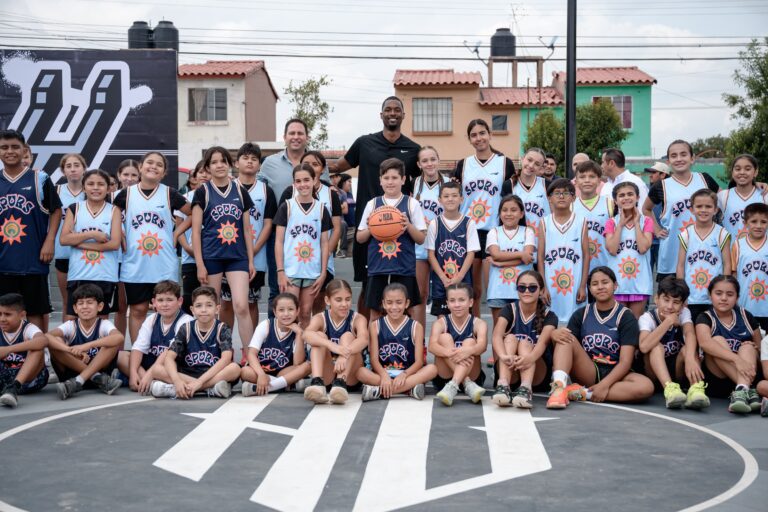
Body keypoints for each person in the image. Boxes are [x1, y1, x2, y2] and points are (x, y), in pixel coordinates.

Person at [331, 97, 421, 319]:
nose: (392, 113)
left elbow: (426, 179)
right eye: (388, 109)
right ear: (381, 115)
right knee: (369, 288)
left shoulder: (413, 149)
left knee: (404, 292)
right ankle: (365, 340)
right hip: (369, 227)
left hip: (400, 232)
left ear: (403, 115)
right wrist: (317, 174)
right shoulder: (364, 143)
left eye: (397, 109)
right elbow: (337, 166)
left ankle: (402, 342)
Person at [546, 267, 654, 409]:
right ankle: (558, 388)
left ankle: (583, 394)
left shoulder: (626, 316)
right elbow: (564, 347)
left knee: (645, 387)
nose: (600, 287)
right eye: (595, 284)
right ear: (590, 289)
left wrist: (604, 385)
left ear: (615, 285)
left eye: (605, 282)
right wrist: (554, 334)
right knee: (566, 337)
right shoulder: (581, 314)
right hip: (589, 369)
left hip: (618, 372)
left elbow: (626, 361)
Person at [112, 151, 190, 343]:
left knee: (168, 310)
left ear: (164, 173)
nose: (153, 166)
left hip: (163, 263)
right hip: (135, 263)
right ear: (140, 167)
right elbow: (110, 218)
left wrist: (177, 233)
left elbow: (195, 213)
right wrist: (120, 234)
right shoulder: (125, 194)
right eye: (149, 163)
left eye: (159, 165)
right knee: (138, 310)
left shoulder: (170, 193)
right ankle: (140, 354)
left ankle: (168, 355)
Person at [190, 146, 256, 352]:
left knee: (241, 306)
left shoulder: (240, 191)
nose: (219, 165)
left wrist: (251, 261)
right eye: (214, 162)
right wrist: (200, 264)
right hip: (212, 257)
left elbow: (246, 229)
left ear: (229, 164)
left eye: (223, 161)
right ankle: (213, 352)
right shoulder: (202, 192)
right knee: (211, 308)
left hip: (237, 257)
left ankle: (250, 355)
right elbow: (196, 233)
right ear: (208, 167)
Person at [0, 129, 62, 330]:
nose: (10, 151)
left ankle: (38, 356)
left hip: (33, 258)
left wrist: (50, 240)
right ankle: (8, 355)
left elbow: (56, 210)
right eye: (4, 147)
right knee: (4, 312)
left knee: (35, 311)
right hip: (3, 260)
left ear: (24, 149)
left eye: (15, 147)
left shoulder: (40, 178)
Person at [456, 119, 517, 315]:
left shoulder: (504, 163)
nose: (479, 138)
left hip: (494, 230)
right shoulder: (462, 165)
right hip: (469, 230)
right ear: (469, 139)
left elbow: (511, 197)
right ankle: (474, 332)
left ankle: (501, 332)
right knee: (473, 289)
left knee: (495, 288)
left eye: (482, 133)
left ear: (490, 135)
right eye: (474, 135)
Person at [356, 158, 427, 320]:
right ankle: (374, 345)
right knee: (375, 310)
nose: (390, 182)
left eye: (395, 178)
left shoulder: (412, 204)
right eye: (386, 178)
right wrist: (371, 229)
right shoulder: (373, 204)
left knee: (408, 310)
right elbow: (360, 238)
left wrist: (408, 225)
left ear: (403, 179)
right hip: (378, 266)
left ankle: (410, 344)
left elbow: (421, 238)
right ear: (380, 181)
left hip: (404, 266)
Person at [643, 140, 721, 283]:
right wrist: (656, 228)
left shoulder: (705, 179)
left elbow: (725, 199)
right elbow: (646, 209)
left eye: (683, 154)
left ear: (692, 158)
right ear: (668, 161)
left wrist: (757, 185)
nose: (679, 159)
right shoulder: (661, 186)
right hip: (672, 253)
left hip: (704, 253)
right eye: (674, 155)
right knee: (672, 302)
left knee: (702, 302)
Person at [221, 143, 275, 331]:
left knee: (251, 302)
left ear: (259, 165)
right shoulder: (226, 188)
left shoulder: (266, 191)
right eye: (245, 158)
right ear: (236, 163)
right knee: (226, 302)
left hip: (256, 257)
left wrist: (254, 249)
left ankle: (249, 348)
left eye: (254, 159)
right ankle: (224, 344)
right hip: (228, 254)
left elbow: (268, 224)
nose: (250, 162)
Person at [151, 286, 241, 399]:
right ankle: (209, 389)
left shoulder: (222, 328)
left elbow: (226, 358)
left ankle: (180, 389)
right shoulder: (186, 328)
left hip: (213, 374)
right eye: (199, 306)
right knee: (157, 369)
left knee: (235, 368)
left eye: (209, 305)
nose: (203, 310)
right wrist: (177, 380)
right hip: (188, 373)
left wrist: (200, 382)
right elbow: (169, 357)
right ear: (192, 310)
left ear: (217, 309)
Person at [357, 283, 436, 401]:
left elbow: (419, 361)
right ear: (383, 304)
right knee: (360, 372)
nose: (394, 307)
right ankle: (409, 389)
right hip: (382, 375)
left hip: (407, 374)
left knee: (432, 369)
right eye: (389, 302)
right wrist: (384, 376)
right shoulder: (375, 326)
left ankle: (378, 391)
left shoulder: (416, 326)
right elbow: (373, 359)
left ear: (406, 303)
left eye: (399, 302)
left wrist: (404, 375)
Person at [274, 163, 332, 327]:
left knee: (306, 313)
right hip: (290, 270)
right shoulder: (287, 206)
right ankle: (288, 351)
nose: (303, 184)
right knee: (289, 313)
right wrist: (280, 271)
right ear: (294, 183)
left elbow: (324, 243)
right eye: (298, 181)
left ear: (314, 180)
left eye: (306, 180)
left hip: (312, 271)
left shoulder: (321, 209)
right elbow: (278, 241)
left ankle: (305, 350)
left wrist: (323, 273)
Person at [694, 276, 762, 414]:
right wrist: (737, 360)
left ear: (737, 297)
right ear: (710, 295)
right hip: (718, 379)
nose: (724, 298)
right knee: (717, 341)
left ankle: (742, 390)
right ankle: (746, 390)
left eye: (730, 294)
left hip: (747, 375)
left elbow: (761, 348)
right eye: (718, 293)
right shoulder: (705, 317)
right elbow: (705, 343)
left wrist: (755, 348)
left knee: (748, 346)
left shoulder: (745, 316)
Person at [638, 277, 709, 409]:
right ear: (656, 299)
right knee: (655, 347)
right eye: (666, 300)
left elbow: (690, 334)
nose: (670, 306)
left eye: (676, 302)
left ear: (683, 306)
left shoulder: (684, 313)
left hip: (677, 372)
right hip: (654, 374)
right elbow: (644, 346)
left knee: (689, 347)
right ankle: (669, 389)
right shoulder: (647, 318)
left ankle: (695, 389)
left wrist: (690, 359)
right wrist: (668, 322)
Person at [60, 169, 121, 320]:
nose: (95, 187)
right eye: (91, 184)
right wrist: (92, 235)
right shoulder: (74, 209)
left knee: (101, 320)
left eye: (101, 184)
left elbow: (114, 244)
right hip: (78, 274)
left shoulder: (114, 210)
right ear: (84, 187)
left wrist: (80, 243)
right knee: (72, 319)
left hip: (104, 275)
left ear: (108, 188)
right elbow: (64, 239)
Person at [491, 271, 558, 409]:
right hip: (510, 368)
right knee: (509, 338)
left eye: (532, 287)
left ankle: (526, 389)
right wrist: (504, 356)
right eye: (522, 287)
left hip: (536, 375)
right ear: (517, 290)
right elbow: (496, 336)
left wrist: (528, 358)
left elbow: (542, 343)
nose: (527, 291)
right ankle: (503, 385)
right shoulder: (509, 309)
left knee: (525, 344)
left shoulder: (550, 316)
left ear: (541, 290)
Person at [46, 284, 124, 400]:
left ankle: (79, 381)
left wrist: (86, 346)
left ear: (100, 306)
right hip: (78, 376)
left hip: (74, 383)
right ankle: (96, 377)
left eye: (90, 302)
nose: (85, 306)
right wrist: (70, 350)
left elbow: (119, 338)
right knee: (55, 341)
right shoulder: (71, 325)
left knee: (110, 342)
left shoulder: (103, 324)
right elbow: (46, 337)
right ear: (75, 308)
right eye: (80, 303)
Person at [116, 280, 192, 394]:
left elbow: (169, 351)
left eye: (170, 300)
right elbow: (138, 348)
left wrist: (150, 374)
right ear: (154, 302)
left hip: (172, 366)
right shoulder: (151, 319)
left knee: (164, 367)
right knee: (122, 356)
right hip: (152, 365)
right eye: (160, 300)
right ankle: (148, 384)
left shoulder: (186, 321)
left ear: (180, 301)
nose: (165, 304)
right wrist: (133, 373)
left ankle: (147, 383)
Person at [303, 279, 369, 404]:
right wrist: (332, 345)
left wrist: (344, 354)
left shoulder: (358, 318)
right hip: (328, 373)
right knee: (319, 336)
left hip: (349, 376)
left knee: (348, 336)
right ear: (328, 301)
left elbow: (364, 339)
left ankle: (340, 383)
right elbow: (306, 334)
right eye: (338, 300)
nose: (344, 304)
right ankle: (317, 383)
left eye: (348, 299)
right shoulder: (320, 318)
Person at [537, 179, 589, 323]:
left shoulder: (581, 221)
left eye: (566, 193)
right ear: (549, 198)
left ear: (573, 198)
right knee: (550, 324)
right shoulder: (544, 222)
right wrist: (543, 287)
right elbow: (540, 257)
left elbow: (586, 256)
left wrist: (583, 286)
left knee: (575, 325)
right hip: (551, 283)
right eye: (557, 193)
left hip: (575, 282)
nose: (561, 196)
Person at [297, 151, 342, 315]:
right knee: (300, 308)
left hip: (323, 259)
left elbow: (337, 228)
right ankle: (298, 341)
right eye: (307, 163)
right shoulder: (291, 192)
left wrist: (325, 253)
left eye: (315, 164)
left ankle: (316, 340)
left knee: (318, 306)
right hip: (297, 259)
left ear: (322, 169)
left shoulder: (330, 194)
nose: (310, 167)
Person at [676, 188, 731, 321]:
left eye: (708, 206)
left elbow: (727, 264)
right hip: (691, 297)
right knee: (691, 333)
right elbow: (680, 266)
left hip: (714, 298)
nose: (703, 210)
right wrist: (682, 294)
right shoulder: (686, 234)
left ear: (715, 209)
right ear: (692, 209)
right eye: (699, 206)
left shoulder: (722, 234)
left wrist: (724, 291)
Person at [241, 292, 310, 397]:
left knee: (308, 366)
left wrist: (299, 335)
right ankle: (286, 385)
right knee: (245, 371)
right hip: (261, 370)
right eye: (281, 310)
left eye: (290, 309)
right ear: (275, 312)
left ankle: (263, 387)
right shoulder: (266, 325)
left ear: (297, 311)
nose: (286, 314)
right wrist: (261, 375)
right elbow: (251, 354)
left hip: (283, 372)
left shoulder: (299, 331)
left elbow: (298, 362)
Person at [430, 283, 488, 406]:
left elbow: (482, 346)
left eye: (462, 300)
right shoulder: (441, 323)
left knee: (470, 342)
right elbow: (432, 346)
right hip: (445, 379)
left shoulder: (479, 323)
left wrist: (468, 351)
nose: (457, 304)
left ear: (471, 302)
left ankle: (454, 383)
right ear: (447, 303)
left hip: (473, 376)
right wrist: (450, 353)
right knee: (445, 338)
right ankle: (464, 382)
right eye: (452, 300)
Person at [426, 181, 478, 317]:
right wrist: (443, 278)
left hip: (463, 280)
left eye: (454, 195)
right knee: (442, 322)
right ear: (439, 200)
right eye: (446, 196)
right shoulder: (434, 223)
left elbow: (471, 253)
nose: (450, 199)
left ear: (461, 199)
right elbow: (431, 255)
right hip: (441, 282)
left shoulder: (469, 223)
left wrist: (459, 276)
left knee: (464, 318)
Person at [604, 182, 653, 318]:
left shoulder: (646, 221)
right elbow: (612, 249)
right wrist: (620, 225)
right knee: (619, 324)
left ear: (637, 197)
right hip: (617, 284)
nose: (626, 198)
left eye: (630, 194)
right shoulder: (611, 222)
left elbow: (643, 248)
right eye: (622, 195)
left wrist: (637, 223)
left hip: (640, 283)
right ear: (615, 200)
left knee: (635, 324)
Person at [413, 146, 450, 327]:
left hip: (444, 246)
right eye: (425, 160)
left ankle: (445, 338)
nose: (429, 164)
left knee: (443, 294)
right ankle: (420, 341)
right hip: (419, 246)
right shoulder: (413, 184)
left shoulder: (450, 184)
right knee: (420, 294)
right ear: (419, 164)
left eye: (432, 159)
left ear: (438, 160)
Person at [486, 194, 535, 324]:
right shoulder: (494, 232)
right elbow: (496, 254)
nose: (508, 214)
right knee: (500, 331)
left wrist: (501, 264)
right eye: (504, 210)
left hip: (523, 290)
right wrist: (521, 254)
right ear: (499, 213)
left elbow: (528, 258)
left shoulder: (528, 232)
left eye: (513, 210)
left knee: (522, 330)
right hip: (498, 290)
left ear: (521, 214)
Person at [0, 293, 49, 408]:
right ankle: (8, 389)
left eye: (7, 314)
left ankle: (13, 388)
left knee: (37, 348)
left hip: (29, 380)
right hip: (4, 378)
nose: (2, 319)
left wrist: (8, 349)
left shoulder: (28, 328)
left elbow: (43, 341)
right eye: (0, 314)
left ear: (22, 315)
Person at [53, 153, 86, 321]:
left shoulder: (90, 192)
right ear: (63, 171)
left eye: (76, 165)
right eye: (69, 166)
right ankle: (66, 344)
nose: (73, 169)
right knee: (68, 302)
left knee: (88, 302)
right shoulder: (56, 191)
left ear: (84, 168)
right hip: (64, 253)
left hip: (87, 253)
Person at [112, 158, 141, 334]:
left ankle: (138, 349)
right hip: (114, 256)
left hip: (135, 257)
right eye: (125, 174)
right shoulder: (111, 197)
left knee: (136, 306)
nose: (129, 178)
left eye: (133, 175)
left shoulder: (140, 197)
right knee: (120, 306)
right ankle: (118, 349)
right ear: (118, 175)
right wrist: (117, 231)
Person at [179, 161, 210, 315]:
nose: (204, 175)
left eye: (207, 171)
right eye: (201, 171)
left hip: (212, 256)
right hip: (190, 258)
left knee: (210, 300)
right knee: (190, 299)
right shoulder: (184, 198)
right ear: (194, 177)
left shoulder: (217, 196)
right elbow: (179, 229)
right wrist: (186, 247)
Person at [731, 203, 768, 331]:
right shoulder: (738, 245)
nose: (758, 226)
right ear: (745, 223)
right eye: (754, 221)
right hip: (745, 307)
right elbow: (734, 275)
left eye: (763, 222)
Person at [573, 160, 614, 272]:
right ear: (576, 181)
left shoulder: (610, 204)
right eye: (582, 177)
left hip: (606, 265)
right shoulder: (570, 207)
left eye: (592, 176)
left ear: (599, 181)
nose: (587, 180)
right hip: (578, 268)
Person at [502, 148, 550, 242]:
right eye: (529, 160)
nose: (531, 165)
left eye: (537, 164)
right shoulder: (509, 185)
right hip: (515, 240)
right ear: (523, 158)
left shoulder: (547, 185)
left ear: (541, 168)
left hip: (542, 240)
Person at [718, 154, 768, 241]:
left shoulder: (764, 195)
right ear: (732, 172)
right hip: (732, 252)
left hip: (761, 253)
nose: (742, 172)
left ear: (755, 172)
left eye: (747, 169)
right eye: (737, 169)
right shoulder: (723, 196)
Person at [642, 161, 670, 273]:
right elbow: (645, 210)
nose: (650, 175)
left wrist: (659, 230)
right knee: (645, 275)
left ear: (663, 175)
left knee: (663, 276)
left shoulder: (671, 192)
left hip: (663, 241)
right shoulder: (646, 189)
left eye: (654, 172)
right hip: (647, 240)